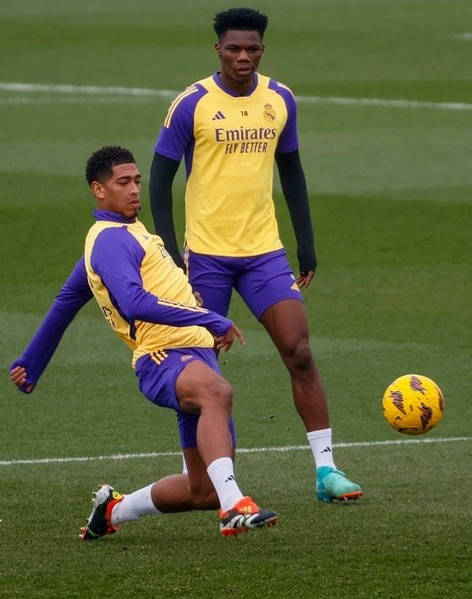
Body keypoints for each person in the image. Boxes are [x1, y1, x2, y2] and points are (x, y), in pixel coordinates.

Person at [8, 146, 279, 538]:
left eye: (137, 180)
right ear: (98, 190)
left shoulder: (126, 235)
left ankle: (113, 511)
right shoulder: (110, 241)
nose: (135, 189)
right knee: (216, 393)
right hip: (162, 356)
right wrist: (210, 317)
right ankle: (234, 505)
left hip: (194, 353)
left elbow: (65, 302)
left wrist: (32, 362)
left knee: (200, 490)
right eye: (123, 182)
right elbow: (135, 303)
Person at [149, 7, 361, 503]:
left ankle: (327, 471)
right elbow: (159, 179)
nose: (243, 57)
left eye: (252, 49)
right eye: (234, 49)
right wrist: (165, 251)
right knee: (201, 368)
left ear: (263, 50)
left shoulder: (280, 98)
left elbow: (292, 169)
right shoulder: (192, 104)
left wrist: (305, 241)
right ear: (218, 50)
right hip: (205, 258)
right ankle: (201, 477)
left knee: (300, 352)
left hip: (264, 252)